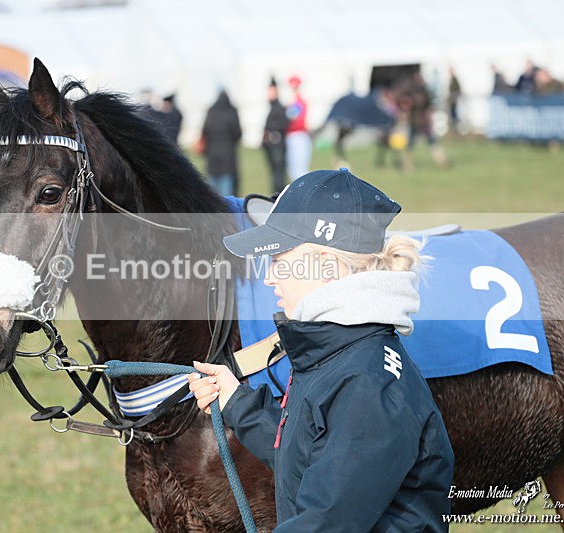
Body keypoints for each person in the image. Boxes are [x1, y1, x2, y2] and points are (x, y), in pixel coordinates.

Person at [188, 169, 454, 531]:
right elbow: (310, 457)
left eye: (279, 261)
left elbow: (325, 522)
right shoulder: (339, 352)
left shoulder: (365, 382)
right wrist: (235, 401)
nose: (269, 277)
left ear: (327, 266)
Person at [201, 88, 242, 196]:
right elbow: (238, 133)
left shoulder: (211, 111)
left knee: (213, 192)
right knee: (227, 193)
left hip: (212, 155)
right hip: (228, 155)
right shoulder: (232, 111)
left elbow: (205, 131)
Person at [262, 77, 290, 194]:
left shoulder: (279, 108)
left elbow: (282, 125)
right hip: (272, 146)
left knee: (278, 177)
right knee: (275, 175)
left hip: (277, 146)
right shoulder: (273, 107)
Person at [284, 75, 311, 179]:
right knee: (293, 169)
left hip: (298, 135)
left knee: (299, 169)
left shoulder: (299, 102)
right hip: (292, 136)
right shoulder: (293, 102)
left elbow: (296, 121)